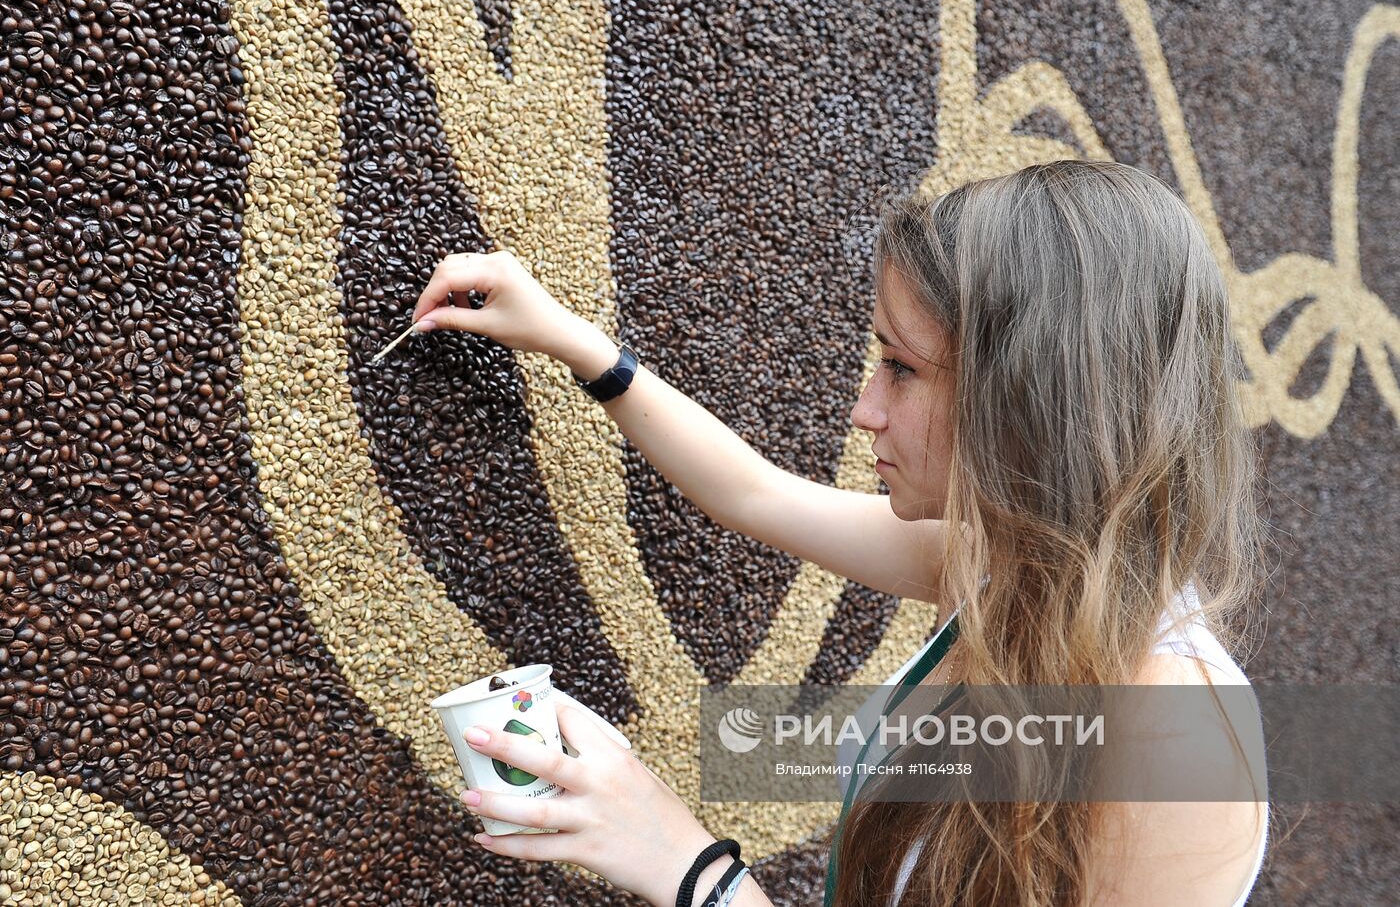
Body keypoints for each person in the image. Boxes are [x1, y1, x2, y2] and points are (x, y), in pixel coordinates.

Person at [410, 160, 1270, 906]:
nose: (865, 411)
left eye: (901, 368)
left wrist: (681, 860)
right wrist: (572, 341)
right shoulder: (1012, 577)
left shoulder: (1174, 743)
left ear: (1035, 401)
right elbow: (755, 495)